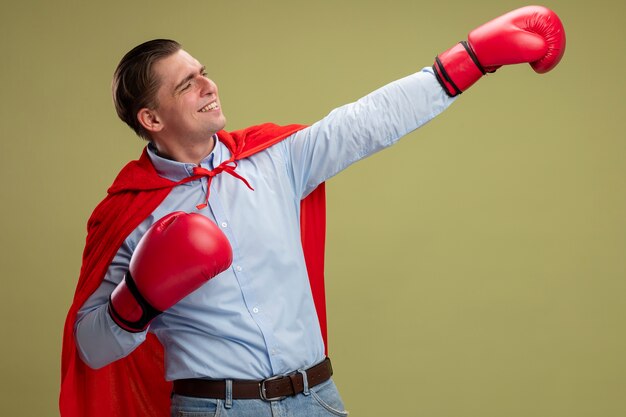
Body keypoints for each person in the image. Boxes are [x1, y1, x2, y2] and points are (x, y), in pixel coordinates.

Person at [60, 5, 565, 417]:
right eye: (185, 84)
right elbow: (92, 348)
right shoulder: (129, 216)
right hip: (216, 408)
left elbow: (366, 121)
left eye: (203, 73)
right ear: (151, 118)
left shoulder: (273, 159)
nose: (208, 86)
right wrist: (137, 301)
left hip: (317, 398)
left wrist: (468, 60)